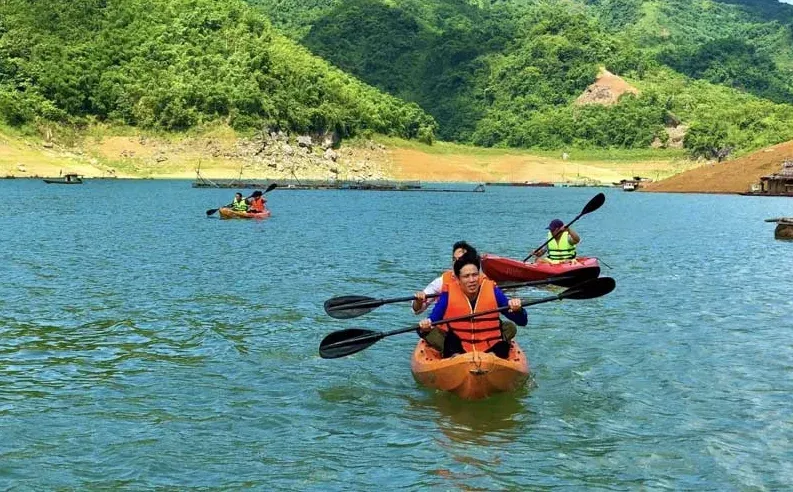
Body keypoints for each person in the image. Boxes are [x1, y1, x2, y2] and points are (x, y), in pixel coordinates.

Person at [418, 252, 527, 359]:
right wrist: (425, 326)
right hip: (459, 348)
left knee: (503, 344)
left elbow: (522, 321)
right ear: (458, 279)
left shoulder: (493, 290)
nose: (472, 280)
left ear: (480, 275)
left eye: (475, 275)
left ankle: (490, 360)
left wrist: (518, 309)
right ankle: (457, 359)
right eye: (466, 276)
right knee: (449, 340)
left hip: (489, 347)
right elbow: (433, 319)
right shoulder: (448, 293)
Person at [412, 241, 477, 315]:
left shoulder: (482, 280)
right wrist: (418, 301)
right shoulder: (442, 282)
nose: (456, 263)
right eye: (454, 259)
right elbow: (417, 310)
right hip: (449, 324)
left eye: (460, 259)